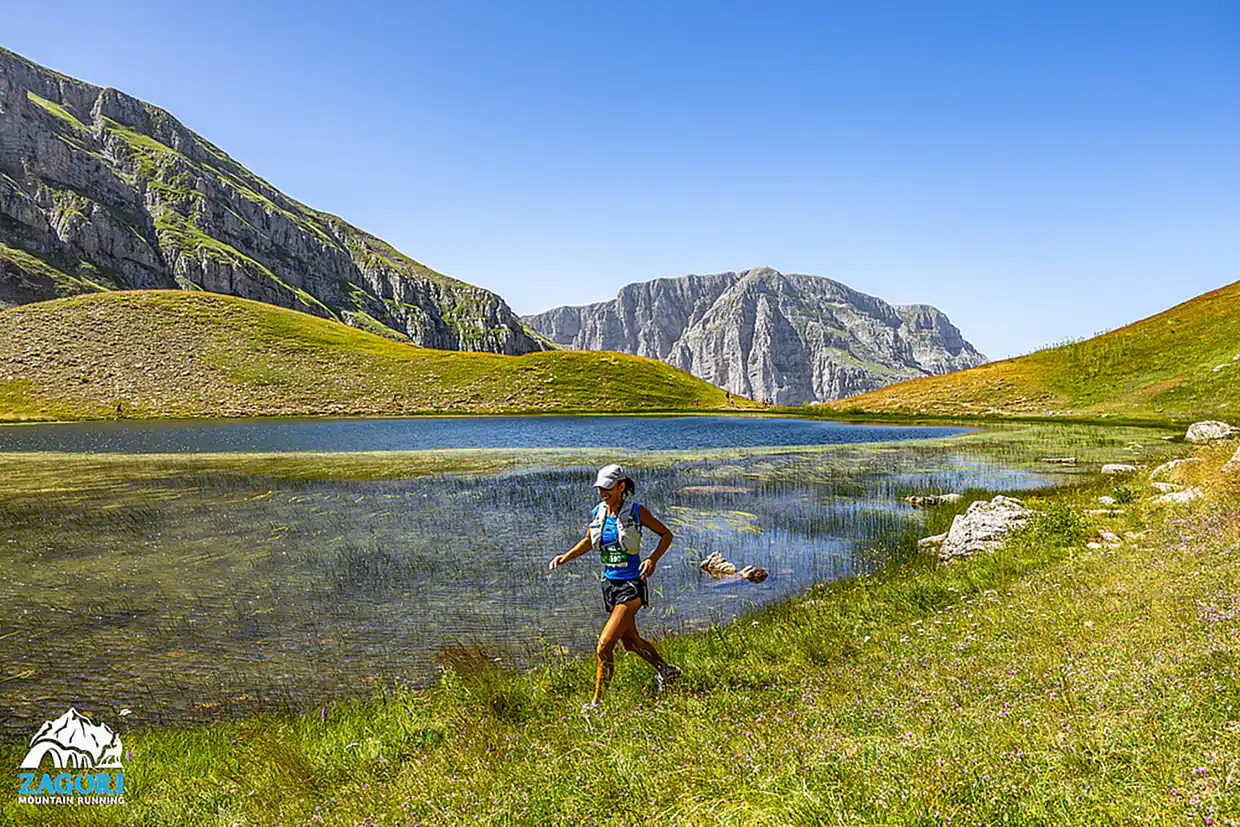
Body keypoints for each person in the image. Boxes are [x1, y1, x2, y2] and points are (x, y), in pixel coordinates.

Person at [548, 463, 680, 710]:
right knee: (630, 643)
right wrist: (565, 556)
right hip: (610, 585)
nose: (603, 493)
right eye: (600, 489)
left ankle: (597, 705)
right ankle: (666, 670)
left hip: (632, 585)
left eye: (608, 488)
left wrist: (652, 559)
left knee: (604, 645)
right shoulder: (598, 512)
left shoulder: (637, 512)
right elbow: (588, 541)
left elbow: (666, 535)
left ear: (621, 486)